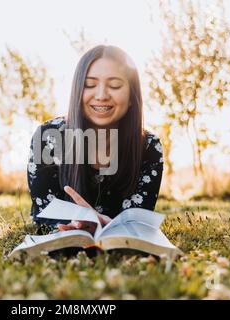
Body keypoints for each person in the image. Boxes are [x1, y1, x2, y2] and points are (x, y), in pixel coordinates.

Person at [27, 45, 164, 235]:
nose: (101, 96)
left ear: (132, 96)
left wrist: (109, 225)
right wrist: (75, 223)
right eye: (90, 84)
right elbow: (44, 209)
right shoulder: (49, 137)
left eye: (115, 85)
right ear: (77, 91)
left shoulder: (149, 147)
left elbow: (139, 217)